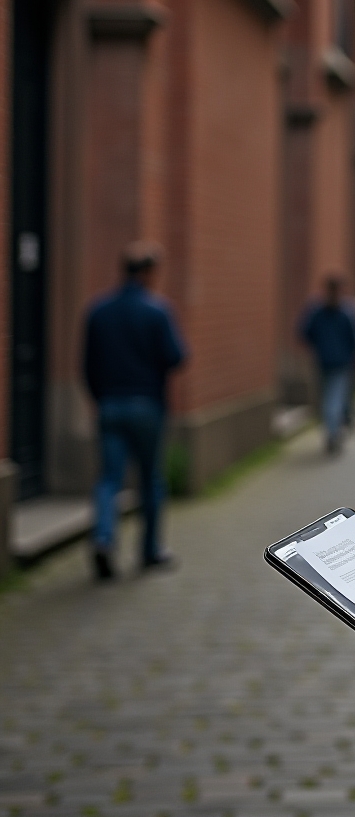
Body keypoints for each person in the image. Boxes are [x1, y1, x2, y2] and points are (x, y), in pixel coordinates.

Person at [83, 241, 188, 581]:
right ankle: (149, 551)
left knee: (109, 479)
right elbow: (176, 357)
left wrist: (101, 397)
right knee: (150, 480)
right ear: (147, 273)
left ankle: (102, 538)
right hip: (146, 406)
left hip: (109, 404)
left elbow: (87, 364)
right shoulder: (157, 311)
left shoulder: (98, 310)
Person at [299, 274, 355, 454]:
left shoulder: (316, 310)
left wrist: (317, 346)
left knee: (327, 395)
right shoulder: (347, 310)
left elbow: (305, 332)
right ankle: (333, 431)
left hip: (323, 359)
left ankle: (331, 429)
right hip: (341, 360)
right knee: (335, 396)